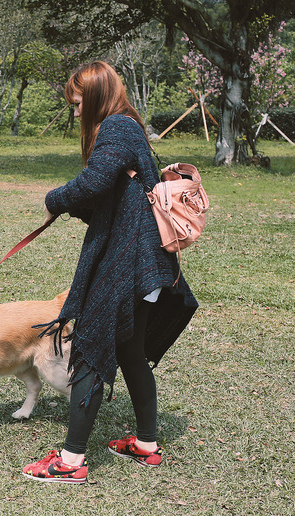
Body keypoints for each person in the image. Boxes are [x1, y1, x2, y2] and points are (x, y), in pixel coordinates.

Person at [22, 61, 198, 484]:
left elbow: (94, 183)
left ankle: (71, 462)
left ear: (98, 96)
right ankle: (147, 445)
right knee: (129, 352)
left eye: (79, 103)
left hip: (132, 264)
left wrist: (54, 199)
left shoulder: (117, 128)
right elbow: (114, 198)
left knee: (92, 345)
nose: (76, 112)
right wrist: (73, 205)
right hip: (147, 264)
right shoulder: (129, 127)